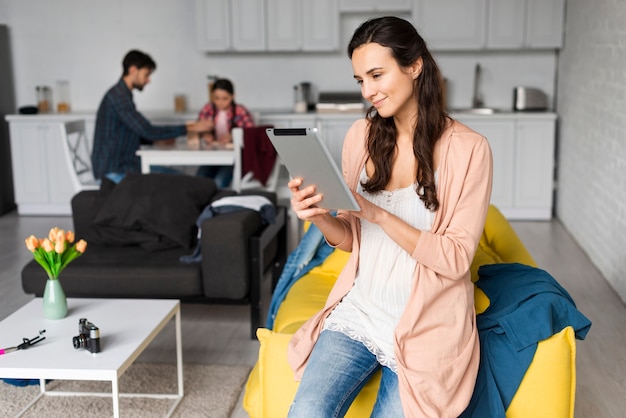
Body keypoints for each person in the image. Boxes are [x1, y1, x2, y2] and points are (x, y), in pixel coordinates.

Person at [286, 16, 493, 417]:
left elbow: (454, 259)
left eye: (376, 75)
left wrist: (378, 215)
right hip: (360, 312)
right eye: (360, 80)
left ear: (414, 65)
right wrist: (317, 216)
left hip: (426, 327)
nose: (368, 92)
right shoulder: (360, 138)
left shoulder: (469, 149)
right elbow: (351, 238)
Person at [91, 49, 211, 183]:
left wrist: (154, 141)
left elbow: (127, 132)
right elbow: (147, 130)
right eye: (146, 74)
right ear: (133, 70)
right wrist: (190, 128)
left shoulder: (120, 94)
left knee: (179, 177)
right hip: (114, 173)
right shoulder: (119, 97)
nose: (148, 80)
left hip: (121, 168)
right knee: (179, 181)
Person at [195, 78, 255, 188]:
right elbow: (196, 128)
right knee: (199, 180)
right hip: (211, 156)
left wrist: (232, 136)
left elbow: (251, 134)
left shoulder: (240, 111)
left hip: (233, 158)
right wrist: (204, 134)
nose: (220, 102)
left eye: (225, 98)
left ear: (233, 96)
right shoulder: (208, 109)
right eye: (216, 98)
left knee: (219, 182)